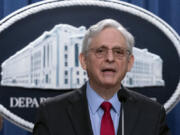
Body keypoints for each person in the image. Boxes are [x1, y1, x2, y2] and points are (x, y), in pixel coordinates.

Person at [33, 19, 171, 135]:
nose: (110, 58)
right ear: (83, 60)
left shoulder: (153, 114)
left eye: (118, 52)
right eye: (100, 51)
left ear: (129, 63)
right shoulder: (52, 113)